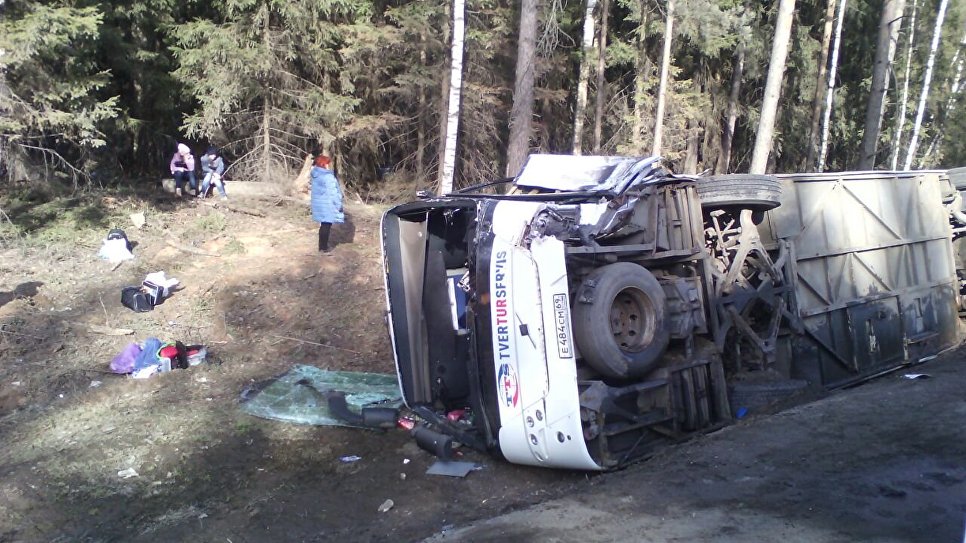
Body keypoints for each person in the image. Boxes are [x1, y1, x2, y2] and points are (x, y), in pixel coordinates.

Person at [310, 154, 344, 255]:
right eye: (328, 163)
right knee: (326, 225)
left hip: (319, 204)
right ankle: (323, 249)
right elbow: (333, 192)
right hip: (327, 204)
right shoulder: (327, 176)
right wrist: (338, 205)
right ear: (324, 164)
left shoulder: (316, 174)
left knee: (323, 225)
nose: (329, 165)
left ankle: (322, 246)